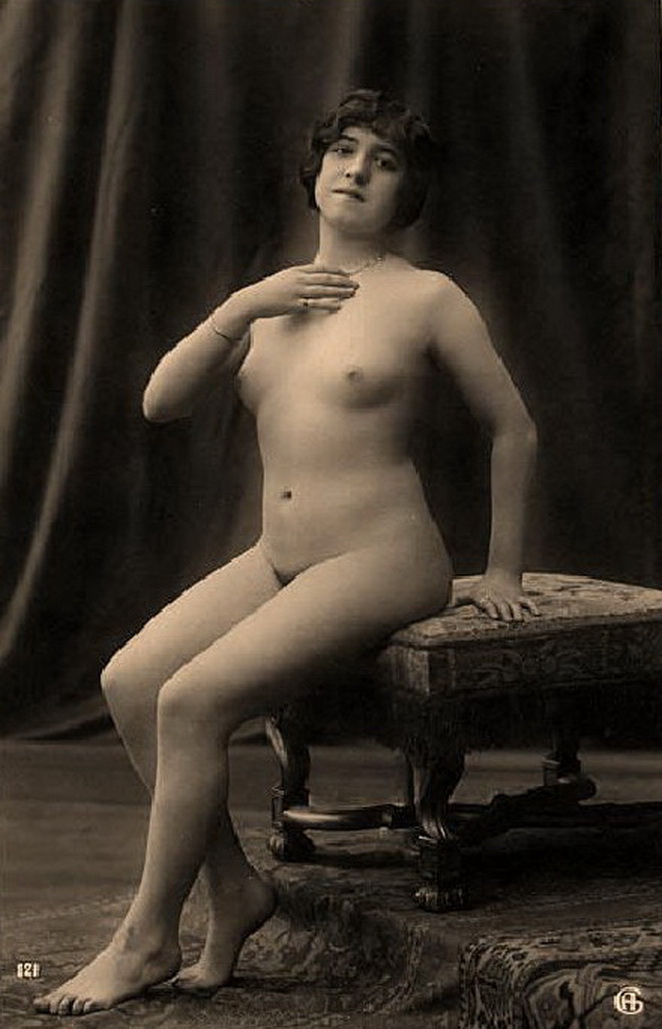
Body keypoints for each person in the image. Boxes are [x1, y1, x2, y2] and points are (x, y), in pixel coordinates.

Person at [34, 89, 538, 1016]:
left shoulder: (427, 297)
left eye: (384, 161)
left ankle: (147, 936)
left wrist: (502, 567)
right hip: (281, 555)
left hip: (384, 556)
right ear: (316, 173)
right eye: (344, 150)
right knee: (130, 682)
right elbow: (159, 402)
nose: (357, 169)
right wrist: (240, 305)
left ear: (406, 193)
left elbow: (513, 427)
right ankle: (235, 890)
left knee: (190, 699)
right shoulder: (269, 304)